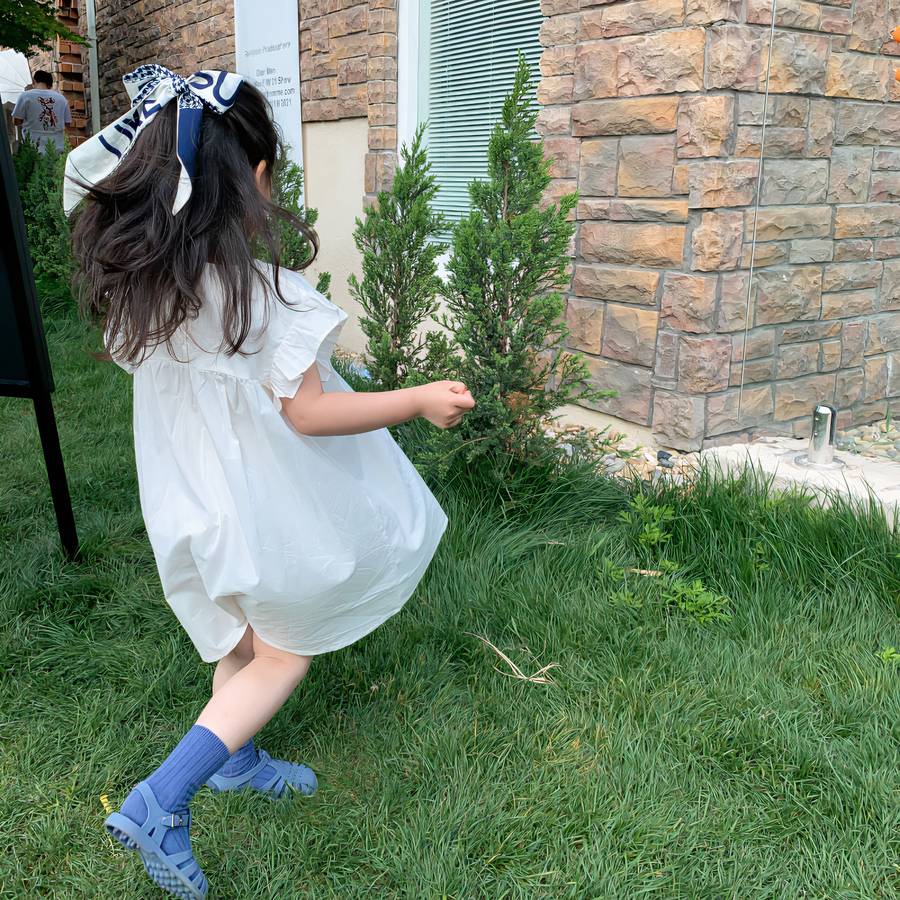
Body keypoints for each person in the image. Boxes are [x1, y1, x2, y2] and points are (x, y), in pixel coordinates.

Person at [66, 65, 474, 899]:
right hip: (260, 509)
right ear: (254, 180)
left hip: (189, 503)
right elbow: (310, 414)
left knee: (244, 640)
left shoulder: (151, 293)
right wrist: (417, 400)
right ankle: (161, 801)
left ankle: (237, 760)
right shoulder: (262, 296)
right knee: (284, 655)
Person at [12, 69, 71, 151]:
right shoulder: (62, 99)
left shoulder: (25, 96)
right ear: (50, 85)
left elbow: (16, 121)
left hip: (32, 147)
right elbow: (67, 124)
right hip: (56, 148)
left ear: (34, 81)